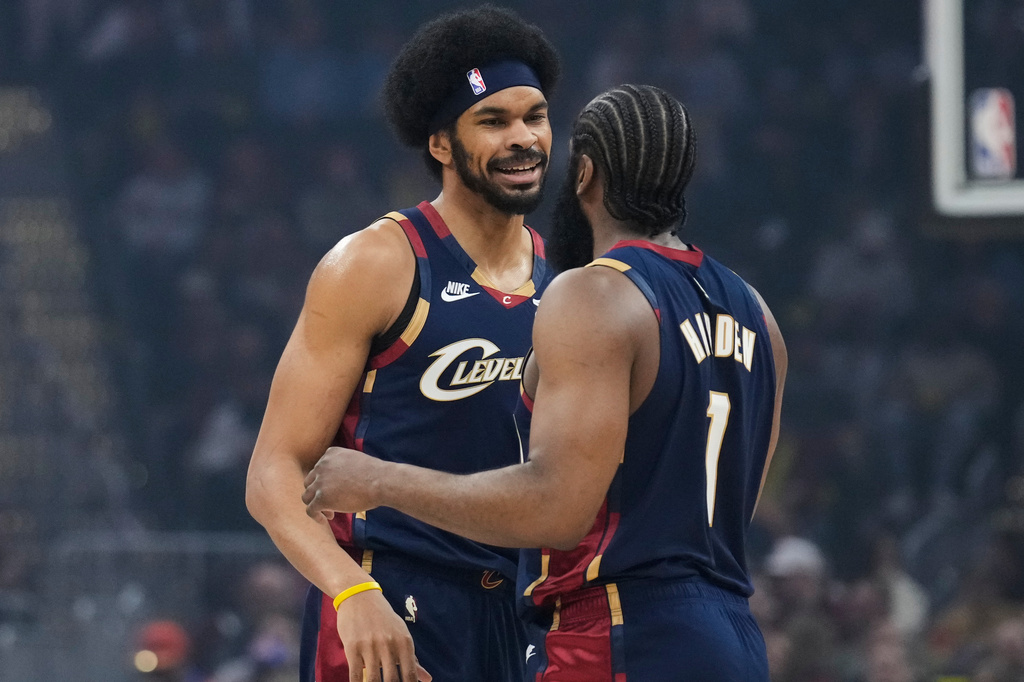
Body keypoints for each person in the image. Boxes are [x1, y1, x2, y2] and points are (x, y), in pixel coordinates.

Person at [303, 84, 788, 681]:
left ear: (583, 173)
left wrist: (379, 479)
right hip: (735, 635)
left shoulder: (595, 291)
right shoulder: (759, 316)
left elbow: (556, 508)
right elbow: (738, 500)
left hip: (618, 628)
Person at [245, 6, 560, 682]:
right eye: (494, 121)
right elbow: (272, 474)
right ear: (440, 144)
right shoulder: (375, 263)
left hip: (518, 612)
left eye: (534, 116)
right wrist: (351, 594)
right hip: (388, 605)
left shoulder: (566, 280)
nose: (523, 138)